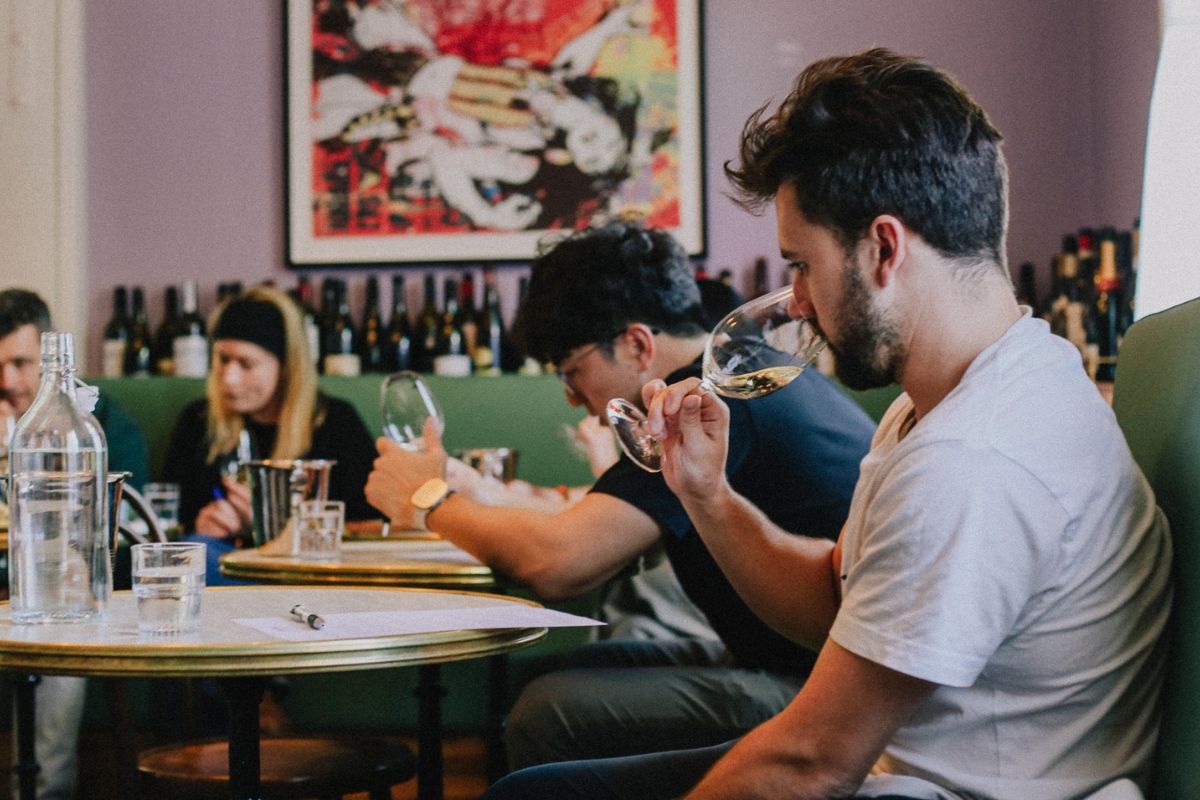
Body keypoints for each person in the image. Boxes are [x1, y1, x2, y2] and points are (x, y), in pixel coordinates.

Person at [483, 48, 1173, 800]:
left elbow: (811, 764)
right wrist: (707, 496)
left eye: (802, 264)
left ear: (883, 248)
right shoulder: (959, 396)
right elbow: (830, 605)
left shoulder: (975, 457)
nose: (798, 302)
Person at [365, 219, 875, 769]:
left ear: (636, 344)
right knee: (547, 677)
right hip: (790, 656)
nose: (571, 398)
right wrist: (470, 493)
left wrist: (428, 497)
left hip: (835, 693)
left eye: (572, 371)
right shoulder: (745, 372)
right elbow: (591, 521)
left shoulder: (699, 405)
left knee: (547, 710)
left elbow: (558, 563)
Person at [0, 288, 150, 800]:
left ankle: (44, 789)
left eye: (20, 363)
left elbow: (129, 520)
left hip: (65, 581)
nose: (7, 382)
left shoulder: (98, 421)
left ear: (46, 359)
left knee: (61, 586)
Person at [162, 286, 376, 584]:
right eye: (223, 360)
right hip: (223, 565)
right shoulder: (199, 421)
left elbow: (370, 523)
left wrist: (277, 526)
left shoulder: (335, 423)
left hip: (308, 573)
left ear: (286, 367)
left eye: (246, 364)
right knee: (196, 556)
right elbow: (171, 518)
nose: (229, 378)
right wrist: (199, 524)